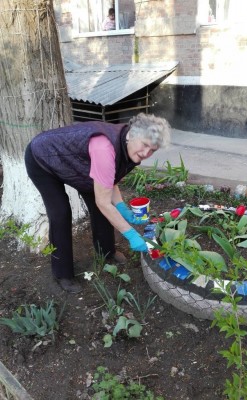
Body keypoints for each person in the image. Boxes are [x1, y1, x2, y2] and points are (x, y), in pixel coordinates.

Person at [24, 113, 171, 294]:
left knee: (99, 207)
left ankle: (106, 252)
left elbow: (110, 178)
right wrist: (131, 234)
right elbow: (104, 201)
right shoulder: (104, 147)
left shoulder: (128, 146)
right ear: (133, 134)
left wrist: (122, 208)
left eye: (153, 150)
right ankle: (62, 274)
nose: (146, 154)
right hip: (43, 159)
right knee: (60, 213)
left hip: (77, 164)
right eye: (145, 145)